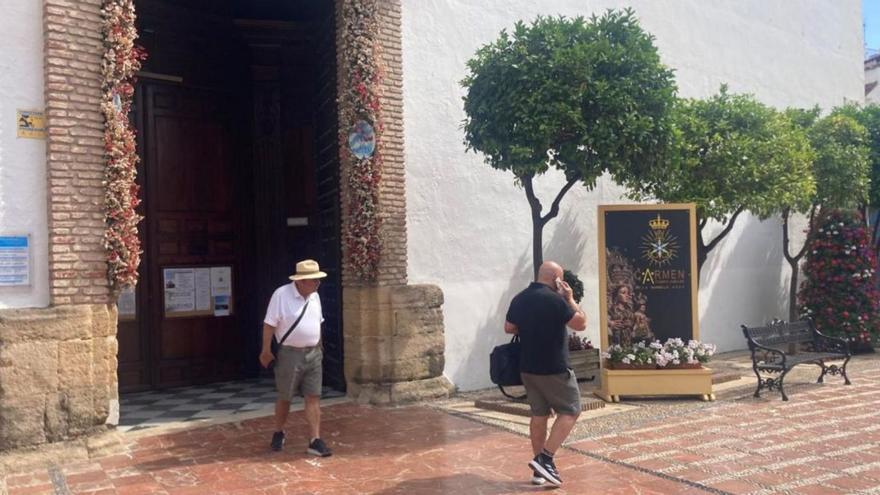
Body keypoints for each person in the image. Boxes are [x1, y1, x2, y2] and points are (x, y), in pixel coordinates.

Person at [504, 261, 588, 487]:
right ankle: (545, 458)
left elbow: (509, 327)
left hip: (528, 367)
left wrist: (531, 326)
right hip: (555, 367)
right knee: (571, 410)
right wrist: (569, 298)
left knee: (539, 415)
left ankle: (539, 472)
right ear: (557, 280)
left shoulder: (520, 298)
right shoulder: (556, 300)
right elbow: (581, 323)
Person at [259, 259, 332, 457]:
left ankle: (315, 439)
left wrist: (320, 346)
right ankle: (279, 431)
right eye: (313, 280)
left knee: (313, 396)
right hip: (290, 354)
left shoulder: (315, 297)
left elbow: (319, 322)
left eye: (318, 280)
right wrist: (266, 350)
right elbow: (269, 324)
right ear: (300, 281)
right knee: (285, 396)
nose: (317, 284)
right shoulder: (281, 295)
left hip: (313, 353)